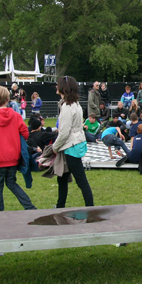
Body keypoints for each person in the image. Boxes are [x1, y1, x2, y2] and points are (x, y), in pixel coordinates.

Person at [0, 86, 36, 212]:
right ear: (7, 99)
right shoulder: (16, 115)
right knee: (11, 183)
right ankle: (29, 206)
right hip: (13, 155)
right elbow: (25, 133)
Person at [53, 76, 94, 209]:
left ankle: (91, 207)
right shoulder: (76, 104)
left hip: (71, 146)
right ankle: (60, 206)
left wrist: (55, 147)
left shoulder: (67, 107)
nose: (56, 87)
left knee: (81, 180)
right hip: (75, 143)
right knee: (62, 178)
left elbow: (64, 132)